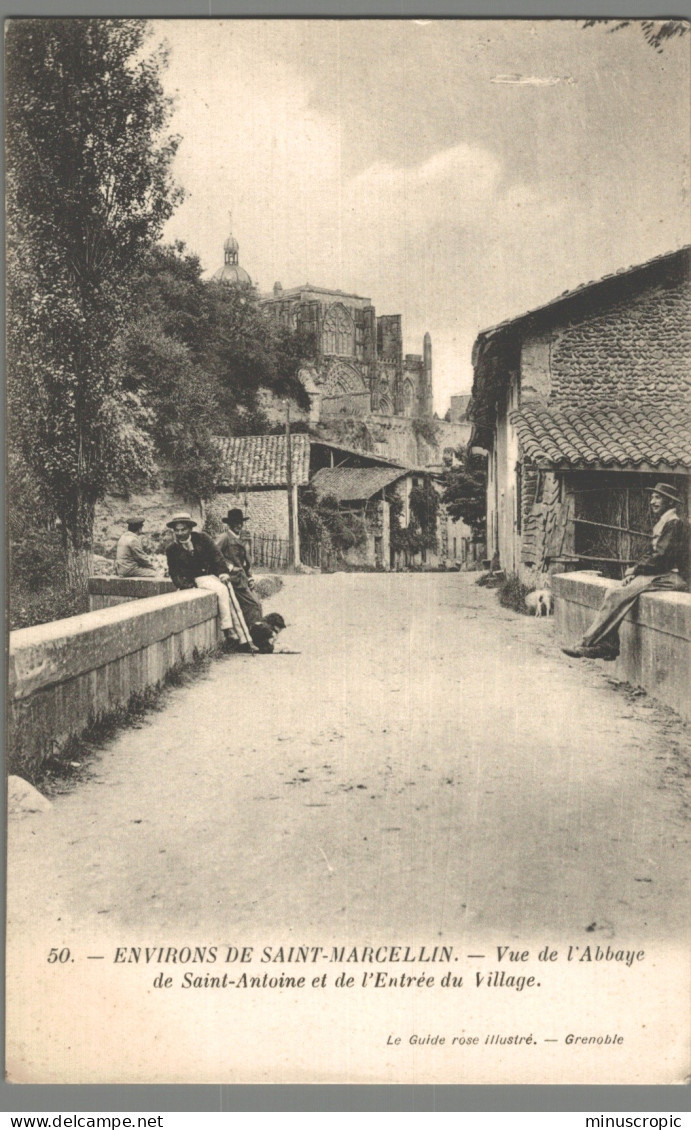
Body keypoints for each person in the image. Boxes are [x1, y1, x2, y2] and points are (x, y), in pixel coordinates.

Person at [563, 483, 689, 660]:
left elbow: (662, 557)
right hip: (660, 573)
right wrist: (635, 573)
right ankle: (608, 645)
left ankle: (586, 644)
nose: (652, 501)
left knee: (618, 595)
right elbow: (651, 555)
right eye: (652, 497)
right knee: (612, 591)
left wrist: (636, 570)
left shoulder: (674, 523)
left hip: (674, 576)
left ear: (669, 502)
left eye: (658, 498)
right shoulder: (665, 522)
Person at [165, 512, 250, 652]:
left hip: (208, 576)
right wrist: (185, 585)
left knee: (229, 597)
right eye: (177, 530)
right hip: (192, 580)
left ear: (190, 529)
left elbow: (217, 556)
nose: (180, 533)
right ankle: (228, 629)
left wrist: (223, 572)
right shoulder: (172, 549)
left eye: (183, 529)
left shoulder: (202, 538)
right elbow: (174, 572)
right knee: (223, 590)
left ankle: (244, 639)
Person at [215, 508, 263, 628]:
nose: (238, 525)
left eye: (240, 522)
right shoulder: (224, 538)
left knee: (257, 605)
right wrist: (230, 567)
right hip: (232, 581)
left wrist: (250, 578)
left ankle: (255, 636)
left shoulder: (241, 539)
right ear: (229, 524)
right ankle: (254, 637)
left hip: (242, 580)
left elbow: (246, 562)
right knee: (253, 605)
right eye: (235, 522)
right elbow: (214, 555)